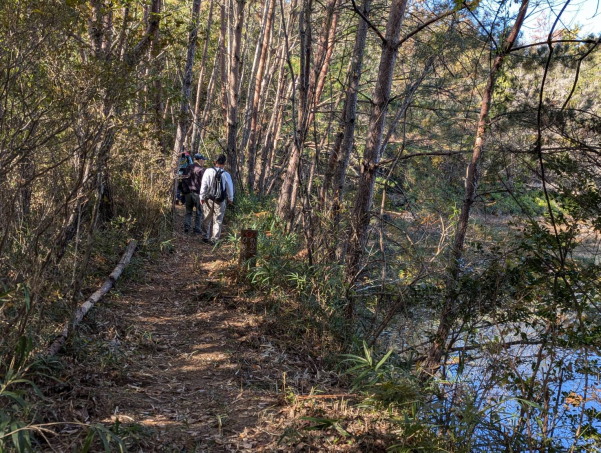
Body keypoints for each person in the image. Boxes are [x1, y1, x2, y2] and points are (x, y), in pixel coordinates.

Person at [199, 154, 234, 244]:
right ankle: (214, 239)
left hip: (208, 199)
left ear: (215, 162)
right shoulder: (226, 174)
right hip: (220, 200)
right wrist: (230, 198)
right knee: (218, 220)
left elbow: (204, 184)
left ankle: (205, 237)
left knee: (207, 218)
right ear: (224, 163)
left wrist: (201, 197)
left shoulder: (208, 171)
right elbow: (230, 188)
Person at [183, 154, 207, 234]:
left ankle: (187, 227)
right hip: (197, 194)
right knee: (199, 212)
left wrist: (185, 191)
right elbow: (204, 183)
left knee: (188, 211)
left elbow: (183, 180)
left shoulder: (188, 167)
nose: (204, 161)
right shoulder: (201, 170)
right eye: (203, 160)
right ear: (200, 160)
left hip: (188, 193)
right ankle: (197, 229)